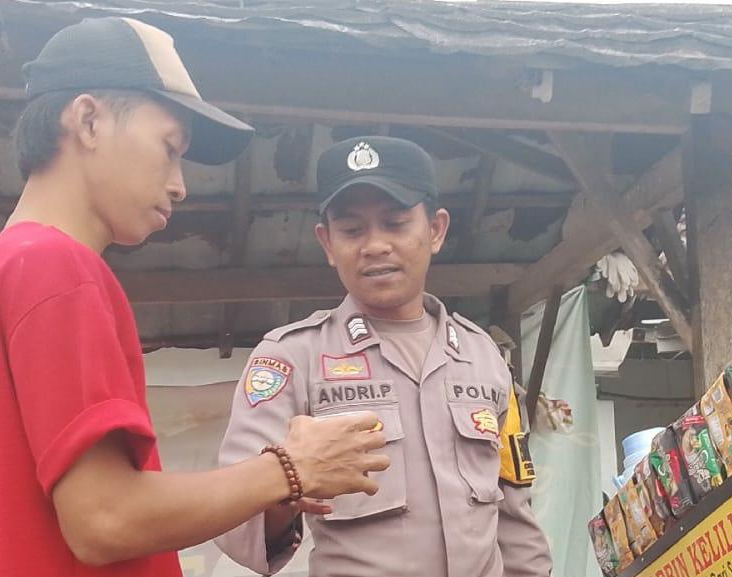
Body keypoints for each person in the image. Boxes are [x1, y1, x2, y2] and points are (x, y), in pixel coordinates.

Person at [0, 18, 388, 577]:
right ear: (88, 121)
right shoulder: (58, 268)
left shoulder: (1, 266)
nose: (180, 184)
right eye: (170, 149)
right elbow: (105, 520)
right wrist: (291, 468)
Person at [214, 136, 552, 577]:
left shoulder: (483, 357)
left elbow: (514, 511)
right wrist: (286, 484)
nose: (375, 245)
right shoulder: (293, 357)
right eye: (352, 230)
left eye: (395, 223)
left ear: (436, 230)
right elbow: (232, 521)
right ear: (327, 243)